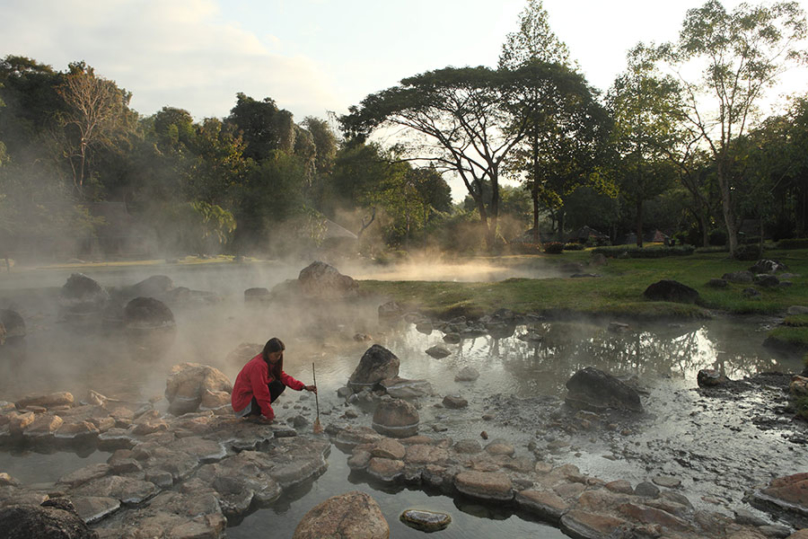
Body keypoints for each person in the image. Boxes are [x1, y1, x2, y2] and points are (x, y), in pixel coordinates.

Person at [231, 337, 317, 422]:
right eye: (276, 355)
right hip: (242, 405)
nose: (278, 358)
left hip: (248, 398)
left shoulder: (269, 361)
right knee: (277, 385)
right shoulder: (258, 365)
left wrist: (303, 387)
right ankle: (252, 415)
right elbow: (261, 392)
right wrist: (269, 415)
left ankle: (256, 412)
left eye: (280, 355)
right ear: (268, 352)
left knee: (280, 383)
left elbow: (282, 376)